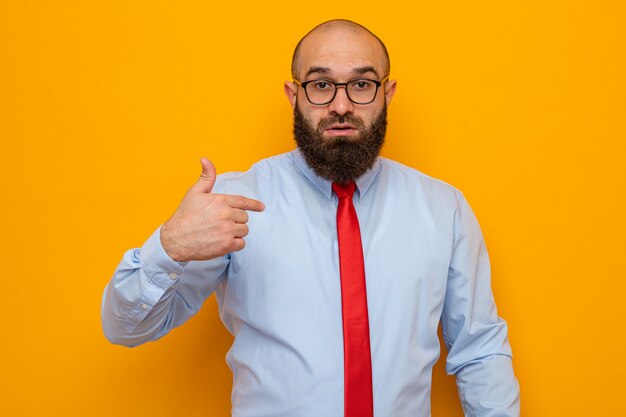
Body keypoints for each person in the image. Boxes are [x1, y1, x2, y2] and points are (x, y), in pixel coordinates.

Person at [101, 19, 520, 417]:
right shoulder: (234, 203)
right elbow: (126, 328)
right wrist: (168, 247)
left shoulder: (443, 208)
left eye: (361, 84)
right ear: (294, 94)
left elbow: (479, 350)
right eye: (321, 85)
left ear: (387, 94)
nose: (341, 105)